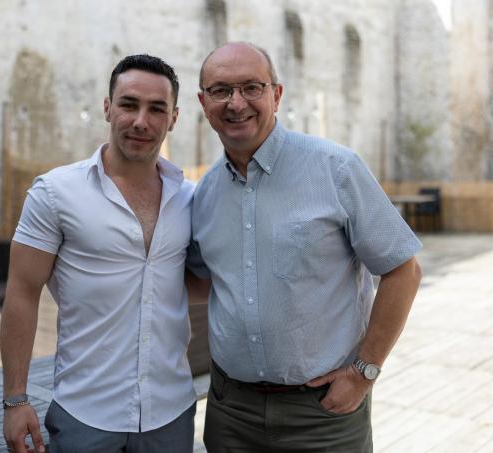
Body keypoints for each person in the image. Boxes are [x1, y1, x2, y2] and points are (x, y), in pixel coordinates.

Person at [187, 42, 423, 452]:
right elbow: (207, 281)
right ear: (203, 103)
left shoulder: (336, 168)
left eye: (251, 88)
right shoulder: (204, 194)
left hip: (322, 415)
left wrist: (364, 372)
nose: (236, 102)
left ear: (276, 95)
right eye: (221, 90)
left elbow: (403, 270)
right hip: (231, 412)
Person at [0, 54, 198, 453]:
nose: (141, 121)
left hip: (171, 412)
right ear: (108, 108)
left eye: (156, 109)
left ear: (173, 118)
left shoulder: (191, 198)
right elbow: (21, 293)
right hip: (85, 413)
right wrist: (15, 399)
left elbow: (203, 281)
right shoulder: (55, 193)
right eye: (129, 104)